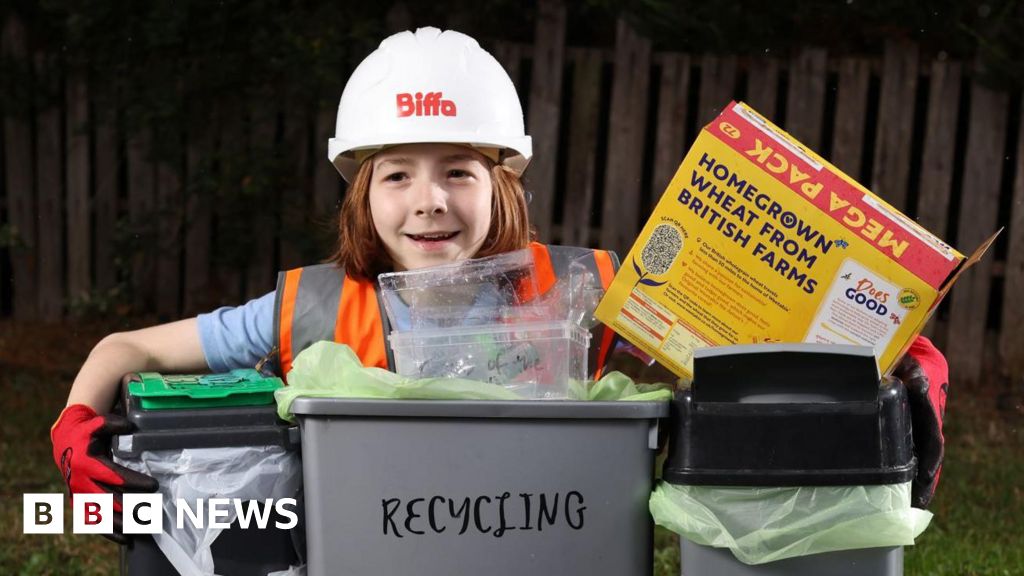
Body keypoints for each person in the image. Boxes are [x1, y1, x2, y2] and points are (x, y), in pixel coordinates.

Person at [50, 27, 950, 545]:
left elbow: (760, 342)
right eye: (396, 174)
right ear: (362, 191)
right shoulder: (309, 306)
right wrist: (79, 425)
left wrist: (904, 358)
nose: (429, 200)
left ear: (504, 183)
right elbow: (126, 349)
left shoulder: (590, 290)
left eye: (459, 172)